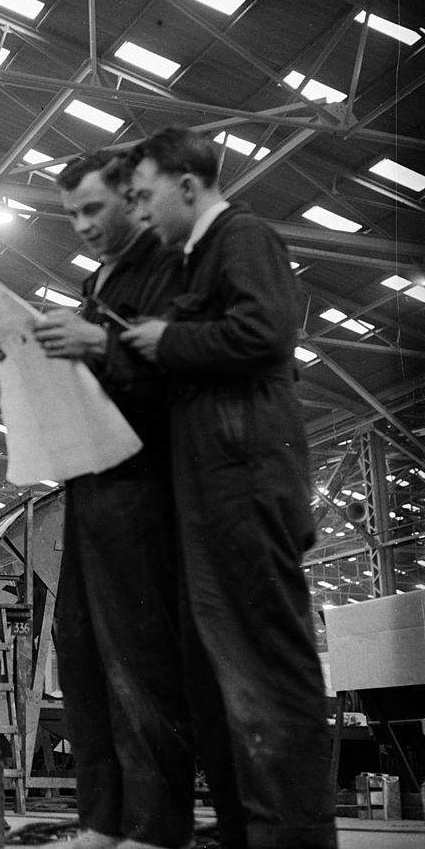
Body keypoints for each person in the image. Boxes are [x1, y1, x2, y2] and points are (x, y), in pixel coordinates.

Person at [122, 127, 336, 849]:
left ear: (189, 184)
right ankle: (248, 828)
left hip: (249, 481)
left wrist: (168, 342)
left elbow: (267, 333)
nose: (141, 212)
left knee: (268, 666)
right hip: (212, 490)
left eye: (147, 195)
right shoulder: (193, 261)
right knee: (217, 669)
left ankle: (295, 836)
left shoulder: (243, 237)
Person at [32, 150, 192, 849]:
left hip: (145, 489)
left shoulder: (171, 269)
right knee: (85, 656)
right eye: (71, 216)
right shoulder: (103, 281)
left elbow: (182, 376)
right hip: (91, 489)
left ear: (133, 198)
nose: (84, 226)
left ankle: (156, 827)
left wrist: (97, 344)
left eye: (94, 209)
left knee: (142, 659)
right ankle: (102, 819)